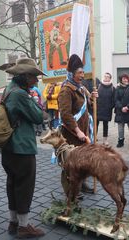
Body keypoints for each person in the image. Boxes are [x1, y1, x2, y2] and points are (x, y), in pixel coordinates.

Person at [0, 58, 46, 238]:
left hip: (8, 147)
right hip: (21, 147)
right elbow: (38, 116)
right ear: (25, 76)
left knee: (12, 184)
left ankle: (14, 222)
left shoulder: (9, 89)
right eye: (34, 77)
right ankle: (24, 226)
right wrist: (34, 103)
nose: (36, 81)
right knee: (24, 186)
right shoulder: (20, 94)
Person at [58, 54, 98, 194]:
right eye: (79, 73)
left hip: (83, 131)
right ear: (72, 74)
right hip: (71, 134)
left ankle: (81, 184)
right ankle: (71, 192)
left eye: (83, 72)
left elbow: (87, 106)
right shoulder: (66, 90)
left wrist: (93, 99)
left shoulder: (81, 88)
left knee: (82, 160)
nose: (82, 75)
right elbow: (65, 114)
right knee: (71, 163)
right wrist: (77, 131)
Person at [97, 72, 115, 145]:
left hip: (107, 110)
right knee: (96, 124)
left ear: (110, 78)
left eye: (107, 77)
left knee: (105, 125)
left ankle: (105, 140)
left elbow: (114, 99)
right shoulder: (98, 86)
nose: (106, 77)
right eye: (105, 76)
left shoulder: (112, 88)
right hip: (98, 109)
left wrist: (110, 107)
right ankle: (95, 137)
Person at [114, 73, 129, 148]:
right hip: (120, 111)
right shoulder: (117, 88)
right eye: (124, 78)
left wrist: (127, 107)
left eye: (126, 78)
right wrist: (121, 107)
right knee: (120, 128)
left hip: (128, 111)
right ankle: (121, 141)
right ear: (121, 80)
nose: (125, 80)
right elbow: (116, 100)